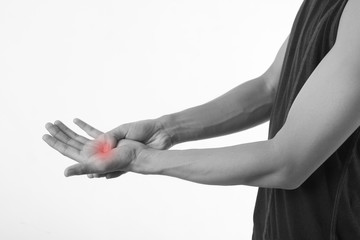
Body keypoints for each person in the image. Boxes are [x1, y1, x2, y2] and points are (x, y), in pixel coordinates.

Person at [43, 0, 360, 239]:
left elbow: (287, 162)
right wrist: (166, 128)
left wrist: (140, 159)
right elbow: (271, 85)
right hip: (280, 226)